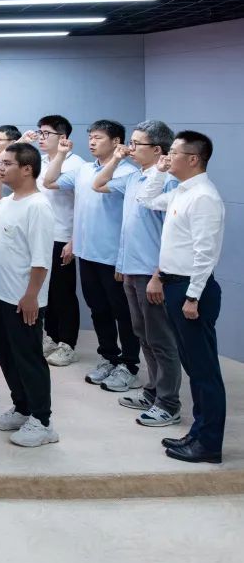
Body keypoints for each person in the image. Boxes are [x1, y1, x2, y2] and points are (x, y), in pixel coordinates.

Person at [138, 131, 225, 464]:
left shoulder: (203, 197)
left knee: (204, 371)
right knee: (194, 367)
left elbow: (205, 254)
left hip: (192, 290)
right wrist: (159, 172)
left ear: (193, 159)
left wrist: (192, 297)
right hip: (176, 286)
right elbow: (146, 199)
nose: (167, 156)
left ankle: (209, 444)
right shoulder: (181, 191)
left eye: (173, 152)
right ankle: (198, 433)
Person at [92, 120, 183, 427]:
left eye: (135, 143)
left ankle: (168, 403)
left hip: (152, 272)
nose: (128, 148)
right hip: (132, 269)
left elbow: (172, 235)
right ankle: (153, 391)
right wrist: (121, 264)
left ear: (157, 150)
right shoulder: (133, 177)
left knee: (161, 339)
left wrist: (159, 275)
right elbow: (98, 185)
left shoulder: (169, 182)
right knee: (143, 334)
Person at [43, 120, 141, 392]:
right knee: (99, 310)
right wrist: (61, 154)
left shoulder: (129, 173)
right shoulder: (84, 169)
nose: (92, 142)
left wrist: (123, 258)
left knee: (123, 313)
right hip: (87, 254)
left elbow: (129, 217)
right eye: (90, 137)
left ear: (116, 141)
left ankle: (129, 365)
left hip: (113, 257)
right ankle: (109, 357)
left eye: (98, 137)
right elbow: (49, 181)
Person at [0, 142, 59, 448]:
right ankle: (22, 407)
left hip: (22, 299)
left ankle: (42, 422)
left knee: (28, 359)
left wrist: (31, 296)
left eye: (6, 163)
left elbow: (41, 259)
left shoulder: (38, 206)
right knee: (6, 355)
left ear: (27, 169)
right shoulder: (7, 201)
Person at [32, 115, 84, 367]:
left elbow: (81, 206)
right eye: (39, 133)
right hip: (41, 235)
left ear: (63, 137)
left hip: (63, 236)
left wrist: (74, 240)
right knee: (46, 291)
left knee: (63, 293)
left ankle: (67, 344)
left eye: (46, 134)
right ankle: (51, 338)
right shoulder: (40, 161)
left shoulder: (76, 165)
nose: (41, 138)